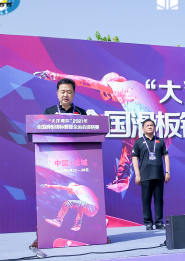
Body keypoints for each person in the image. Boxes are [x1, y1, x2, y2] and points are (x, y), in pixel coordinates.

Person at [34, 70, 171, 193]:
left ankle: (66, 123)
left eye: (107, 95)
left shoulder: (120, 86)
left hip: (146, 129)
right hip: (163, 139)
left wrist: (55, 76)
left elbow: (88, 82)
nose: (112, 98)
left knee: (96, 118)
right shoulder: (139, 88)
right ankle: (123, 177)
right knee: (130, 138)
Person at [29, 77, 89, 255]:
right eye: (62, 92)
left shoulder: (81, 112)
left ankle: (83, 233)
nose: (65, 95)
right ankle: (49, 234)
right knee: (55, 197)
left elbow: (88, 133)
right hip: (55, 161)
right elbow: (40, 131)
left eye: (69, 91)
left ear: (74, 94)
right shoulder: (49, 111)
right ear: (57, 94)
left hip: (76, 163)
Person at [132, 119, 170, 230]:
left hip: (158, 175)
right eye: (147, 125)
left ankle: (159, 222)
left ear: (154, 128)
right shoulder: (138, 142)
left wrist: (167, 172)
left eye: (151, 125)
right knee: (146, 200)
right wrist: (137, 174)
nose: (149, 127)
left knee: (159, 200)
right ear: (143, 129)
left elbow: (166, 156)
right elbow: (134, 158)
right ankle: (148, 222)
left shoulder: (160, 141)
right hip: (145, 176)